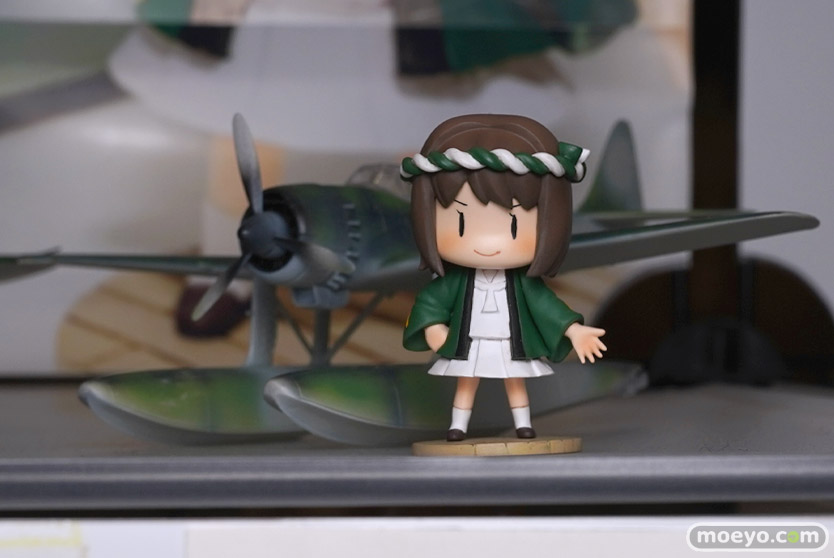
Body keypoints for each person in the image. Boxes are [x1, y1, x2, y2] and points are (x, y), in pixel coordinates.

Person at [402, 114, 606, 441]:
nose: (487, 244)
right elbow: (432, 300)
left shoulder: (523, 284)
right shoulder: (456, 281)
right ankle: (458, 426)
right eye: (461, 223)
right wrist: (432, 326)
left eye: (513, 225)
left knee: (515, 379)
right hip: (470, 337)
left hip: (512, 338)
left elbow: (545, 304)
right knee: (466, 380)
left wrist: (574, 329)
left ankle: (523, 423)